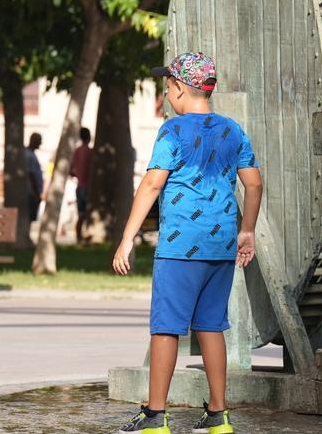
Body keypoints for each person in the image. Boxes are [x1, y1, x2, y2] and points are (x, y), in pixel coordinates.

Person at [112, 52, 262, 434]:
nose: (166, 95)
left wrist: (127, 238)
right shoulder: (233, 130)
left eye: (167, 88)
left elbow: (152, 183)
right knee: (211, 325)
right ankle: (218, 415)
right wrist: (247, 231)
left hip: (180, 247)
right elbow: (254, 184)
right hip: (221, 246)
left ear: (179, 89)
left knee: (166, 328)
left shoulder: (172, 132)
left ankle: (154, 417)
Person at [71, 127, 93, 243]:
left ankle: (79, 237)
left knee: (81, 213)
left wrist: (77, 174)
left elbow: (71, 170)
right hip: (87, 186)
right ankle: (82, 236)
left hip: (79, 186)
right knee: (85, 213)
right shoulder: (90, 152)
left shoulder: (76, 151)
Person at [25, 133, 44, 222]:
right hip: (31, 192)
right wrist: (36, 192)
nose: (40, 144)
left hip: (33, 191)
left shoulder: (32, 154)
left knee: (31, 217)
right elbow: (31, 175)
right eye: (39, 141)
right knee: (29, 216)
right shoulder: (29, 155)